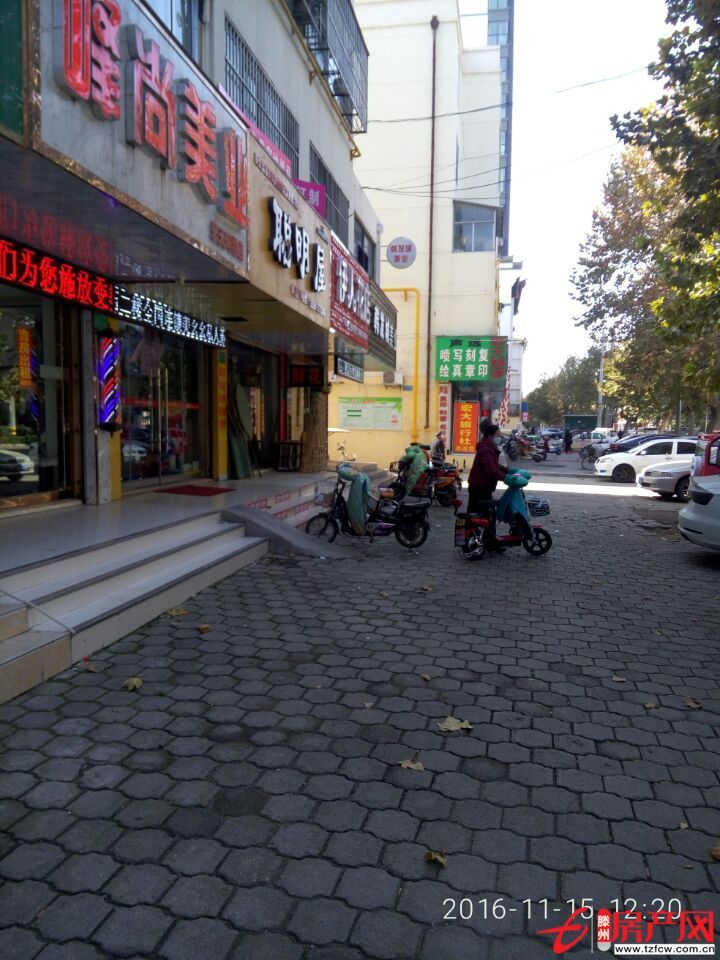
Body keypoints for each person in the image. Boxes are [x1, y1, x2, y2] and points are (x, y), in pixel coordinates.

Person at [467, 420, 508, 513]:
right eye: (498, 435)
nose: (499, 438)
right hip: (479, 487)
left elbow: (494, 465)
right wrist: (506, 477)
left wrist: (508, 471)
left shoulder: (489, 448)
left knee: (482, 513)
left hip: (483, 486)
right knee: (478, 514)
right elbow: (491, 470)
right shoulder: (486, 450)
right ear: (490, 435)